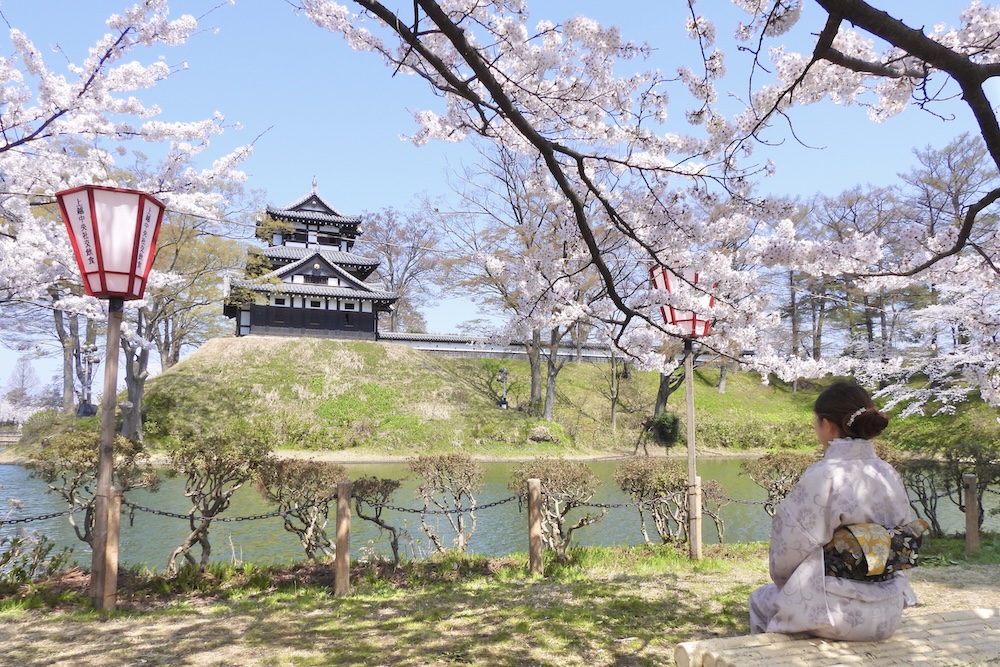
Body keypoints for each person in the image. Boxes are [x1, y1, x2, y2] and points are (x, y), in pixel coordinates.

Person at [748, 381, 920, 641]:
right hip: (889, 608)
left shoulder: (825, 475)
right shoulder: (887, 472)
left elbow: (787, 553)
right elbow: (905, 542)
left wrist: (792, 586)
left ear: (826, 424)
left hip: (835, 613)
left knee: (761, 600)